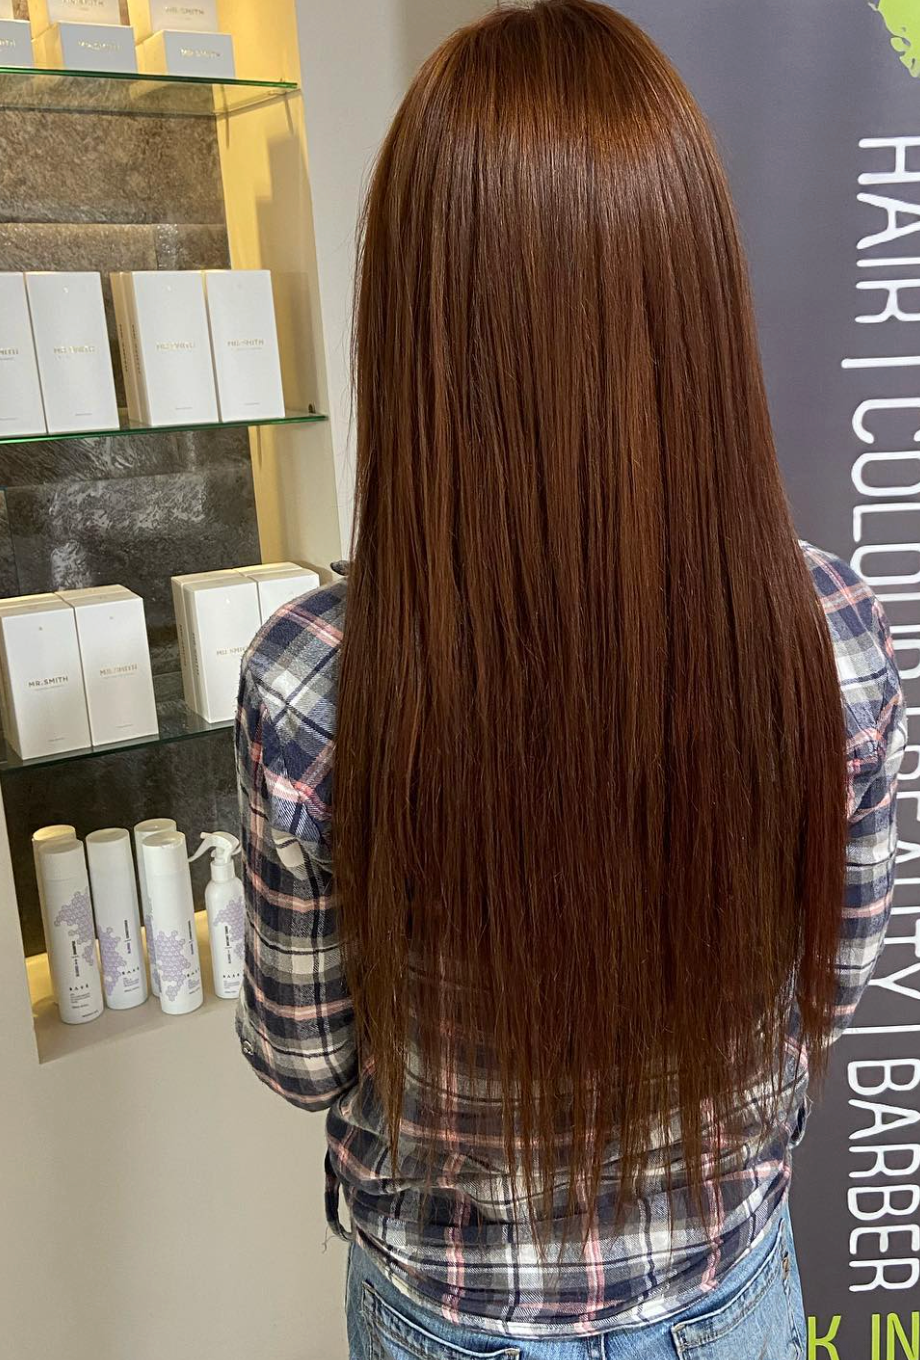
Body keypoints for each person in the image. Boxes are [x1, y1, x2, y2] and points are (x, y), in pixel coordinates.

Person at [235, 2, 905, 1356]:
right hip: (729, 1297)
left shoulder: (312, 683)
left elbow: (305, 1057)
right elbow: (832, 984)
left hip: (451, 1310)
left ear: (418, 326)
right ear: (698, 303)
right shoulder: (830, 632)